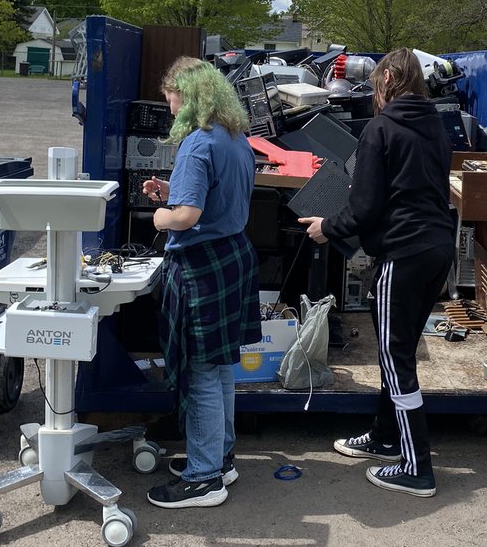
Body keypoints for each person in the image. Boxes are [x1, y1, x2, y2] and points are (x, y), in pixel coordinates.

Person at [299, 47, 455, 497]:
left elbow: (365, 208)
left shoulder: (380, 129)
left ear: (386, 80)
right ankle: (386, 439)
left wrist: (327, 227)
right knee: (399, 349)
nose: (371, 93)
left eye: (373, 85)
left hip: (403, 254)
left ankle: (416, 467)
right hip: (436, 249)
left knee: (395, 358)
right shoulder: (435, 127)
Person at [142, 56, 261, 509]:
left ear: (189, 95)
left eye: (170, 97)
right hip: (233, 255)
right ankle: (220, 458)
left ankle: (205, 476)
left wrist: (161, 213)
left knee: (203, 372)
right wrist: (173, 194)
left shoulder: (196, 144)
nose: (169, 107)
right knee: (221, 367)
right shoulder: (235, 138)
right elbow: (214, 201)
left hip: (201, 265)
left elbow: (188, 218)